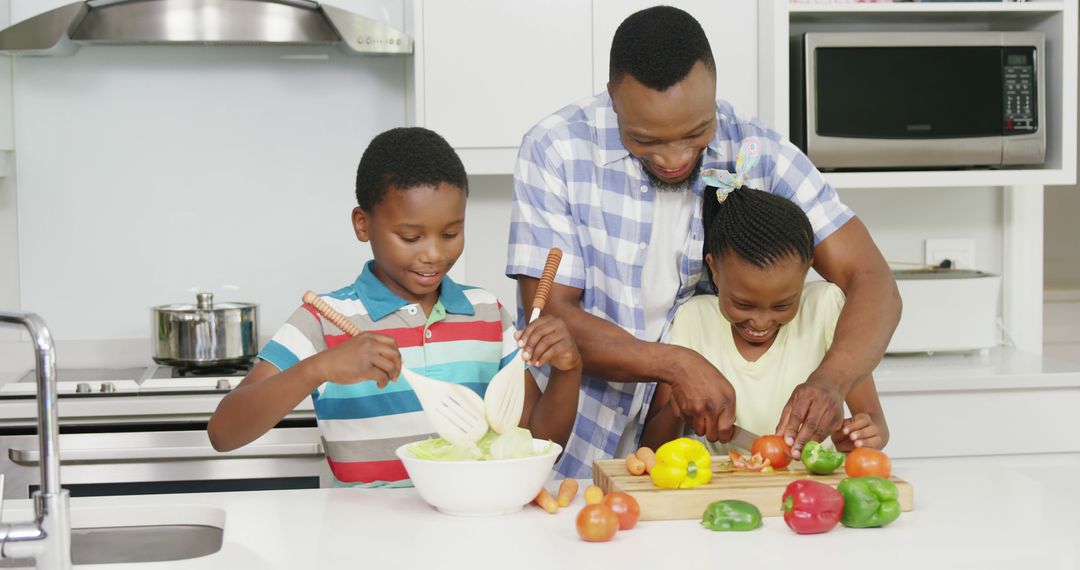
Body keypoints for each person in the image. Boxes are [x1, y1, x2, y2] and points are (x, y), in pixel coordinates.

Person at [506, 6, 899, 478]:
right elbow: (551, 316)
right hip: (570, 439)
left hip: (701, 465)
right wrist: (674, 363)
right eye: (646, 139)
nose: (673, 157)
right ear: (613, 98)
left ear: (714, 89)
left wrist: (830, 382)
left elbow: (873, 279)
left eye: (696, 133)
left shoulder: (758, 152)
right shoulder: (556, 149)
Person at [208, 127, 582, 487]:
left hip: (471, 532)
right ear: (362, 224)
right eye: (410, 236)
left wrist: (568, 372)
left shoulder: (487, 313)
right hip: (364, 540)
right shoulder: (321, 321)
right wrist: (318, 369)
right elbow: (224, 433)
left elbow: (537, 441)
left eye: (451, 233)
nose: (434, 254)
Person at [640, 139, 888, 453]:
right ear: (714, 271)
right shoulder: (693, 321)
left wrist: (862, 435)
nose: (760, 321)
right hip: (726, 495)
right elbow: (652, 447)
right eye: (742, 304)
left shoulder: (826, 308)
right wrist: (678, 406)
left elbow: (876, 424)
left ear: (807, 272)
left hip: (812, 492)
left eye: (783, 304)